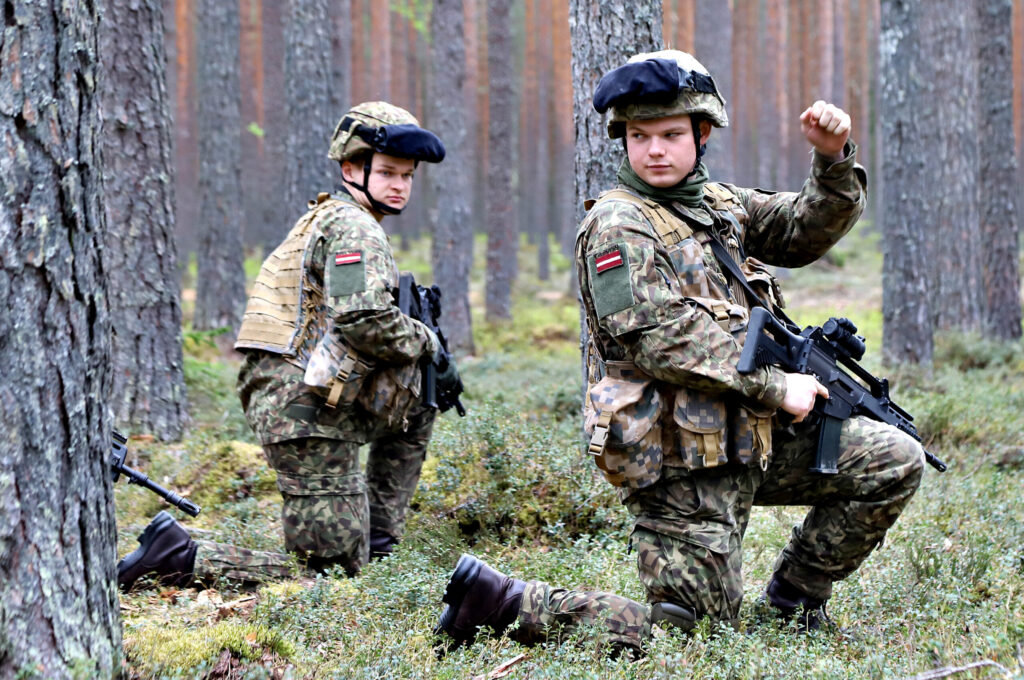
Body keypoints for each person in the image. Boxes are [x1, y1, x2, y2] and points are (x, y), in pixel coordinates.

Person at [434, 50, 924, 656]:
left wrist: (832, 158)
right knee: (694, 636)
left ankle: (795, 601)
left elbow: (804, 229)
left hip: (748, 435)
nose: (655, 150)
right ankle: (505, 601)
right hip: (677, 457)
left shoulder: (719, 205)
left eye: (670, 135)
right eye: (640, 137)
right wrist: (777, 387)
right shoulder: (619, 224)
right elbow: (659, 336)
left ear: (702, 134)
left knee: (894, 459)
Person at [118, 101, 455, 590]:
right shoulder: (352, 226)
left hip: (309, 401)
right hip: (303, 409)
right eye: (386, 172)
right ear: (349, 169)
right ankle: (183, 556)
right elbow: (365, 322)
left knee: (421, 408)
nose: (399, 185)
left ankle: (378, 547)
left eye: (407, 175)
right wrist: (427, 340)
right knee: (332, 578)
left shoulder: (332, 218)